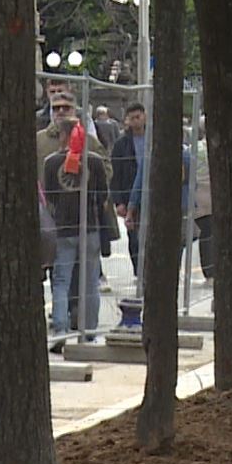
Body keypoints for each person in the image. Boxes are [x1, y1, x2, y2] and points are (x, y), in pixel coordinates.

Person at [44, 129, 112, 344]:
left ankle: (61, 329)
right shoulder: (95, 161)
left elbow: (50, 196)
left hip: (63, 228)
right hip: (90, 226)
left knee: (61, 280)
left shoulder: (51, 162)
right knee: (90, 280)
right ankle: (89, 330)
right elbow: (103, 194)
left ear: (61, 137)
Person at [110, 103, 148, 275]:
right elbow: (115, 174)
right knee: (133, 236)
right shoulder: (121, 144)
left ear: (144, 116)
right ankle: (138, 271)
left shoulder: (154, 139)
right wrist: (118, 201)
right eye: (131, 118)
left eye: (138, 117)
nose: (135, 121)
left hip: (151, 193)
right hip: (129, 193)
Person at [190, 118, 214, 281]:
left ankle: (209, 270)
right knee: (210, 233)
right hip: (212, 195)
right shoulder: (218, 149)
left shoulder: (194, 149)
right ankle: (212, 269)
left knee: (206, 232)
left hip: (198, 194)